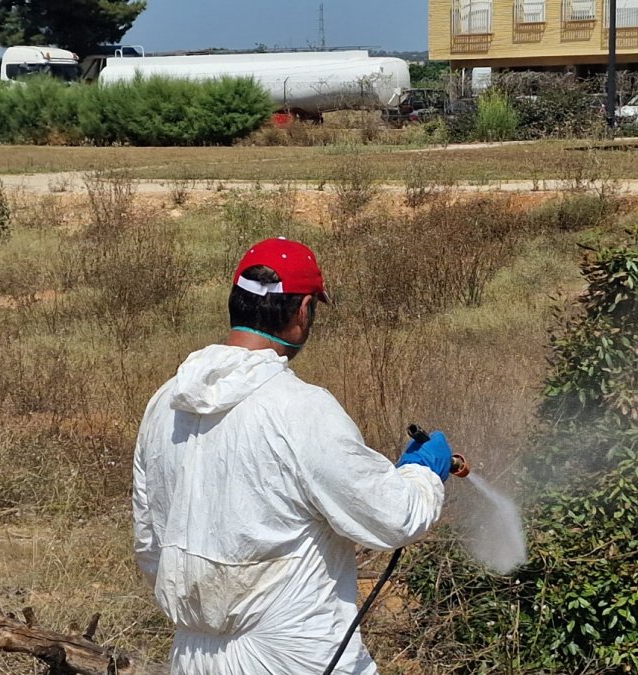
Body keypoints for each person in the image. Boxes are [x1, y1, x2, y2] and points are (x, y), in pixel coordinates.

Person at [132, 237, 455, 674]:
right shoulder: (300, 409)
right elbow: (393, 517)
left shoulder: (166, 402)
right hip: (295, 653)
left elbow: (150, 543)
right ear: (303, 311)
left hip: (193, 655)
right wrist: (421, 472)